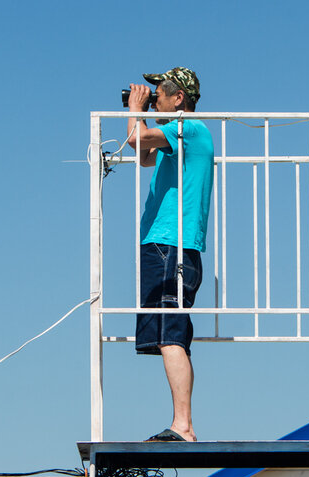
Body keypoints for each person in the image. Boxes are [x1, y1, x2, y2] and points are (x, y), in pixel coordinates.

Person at [126, 67, 214, 442]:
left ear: (179, 98)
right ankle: (183, 423)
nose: (154, 97)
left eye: (158, 93)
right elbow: (145, 153)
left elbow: (135, 141)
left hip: (171, 246)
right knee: (166, 334)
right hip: (167, 246)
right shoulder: (175, 138)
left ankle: (184, 425)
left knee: (171, 335)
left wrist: (134, 108)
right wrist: (142, 115)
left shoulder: (188, 128)